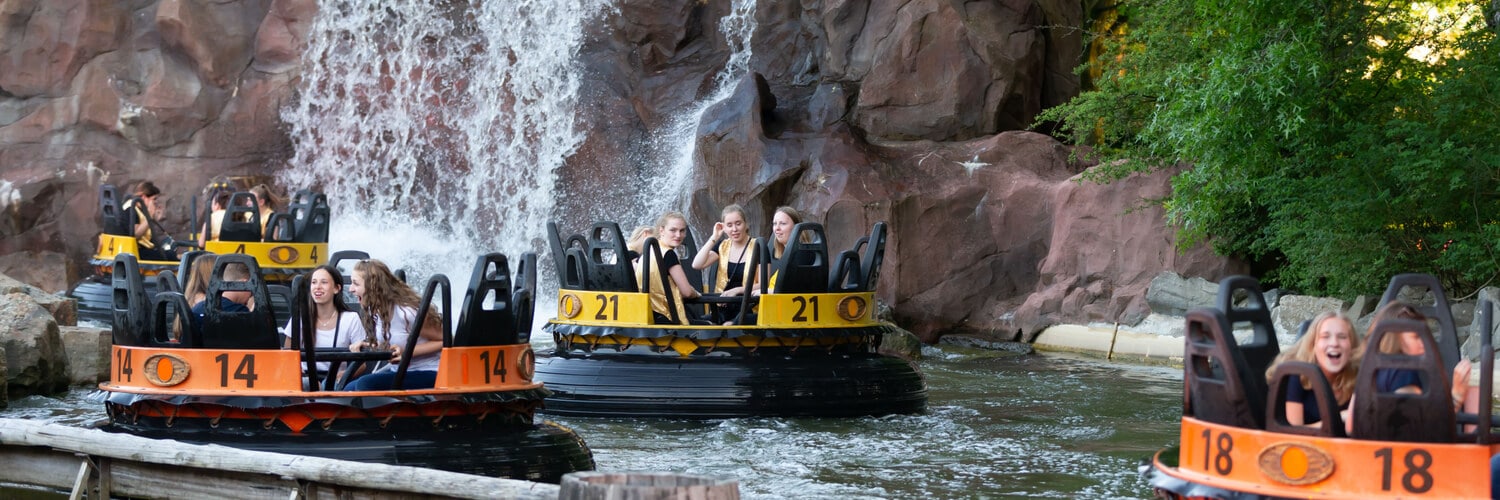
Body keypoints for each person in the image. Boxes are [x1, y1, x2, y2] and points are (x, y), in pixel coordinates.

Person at [344, 259, 443, 391]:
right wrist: (370, 345)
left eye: (355, 284)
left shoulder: (406, 312)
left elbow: (445, 340)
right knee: (347, 388)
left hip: (429, 371)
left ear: (373, 286)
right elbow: (395, 339)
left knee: (365, 385)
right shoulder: (376, 310)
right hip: (399, 370)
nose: (350, 289)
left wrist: (406, 352)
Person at [1264, 311, 1360, 426]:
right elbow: (1294, 434)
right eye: (1325, 336)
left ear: (1352, 345)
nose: (1334, 343)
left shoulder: (1360, 375)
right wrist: (1340, 417)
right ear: (1313, 344)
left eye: (1342, 337)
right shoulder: (1296, 374)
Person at [284, 264, 365, 376]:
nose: (317, 287)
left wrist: (342, 375)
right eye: (314, 282)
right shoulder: (300, 318)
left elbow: (362, 363)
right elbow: (287, 356)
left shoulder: (351, 319)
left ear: (337, 288)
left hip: (336, 380)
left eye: (324, 282)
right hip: (304, 379)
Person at [691, 204, 758, 324]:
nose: (734, 229)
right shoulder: (722, 246)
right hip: (722, 308)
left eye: (738, 223)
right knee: (699, 324)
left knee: (730, 325)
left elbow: (764, 284)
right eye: (729, 225)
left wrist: (737, 290)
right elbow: (697, 264)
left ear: (745, 224)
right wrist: (714, 237)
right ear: (724, 227)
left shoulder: (758, 246)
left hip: (748, 308)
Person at [635, 212, 703, 325]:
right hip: (666, 316)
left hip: (646, 314)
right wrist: (697, 293)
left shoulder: (647, 252)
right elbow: (686, 292)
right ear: (661, 230)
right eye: (673, 230)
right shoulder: (668, 254)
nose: (678, 235)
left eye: (682, 231)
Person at [188, 261, 251, 339]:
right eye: (251, 290)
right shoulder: (240, 312)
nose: (251, 295)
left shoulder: (197, 308)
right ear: (243, 284)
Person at [753, 206, 804, 296]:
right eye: (774, 224)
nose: (777, 228)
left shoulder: (803, 256)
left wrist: (767, 292)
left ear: (797, 227)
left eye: (783, 223)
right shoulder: (784, 256)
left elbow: (799, 290)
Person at [123, 181, 177, 261]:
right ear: (144, 197)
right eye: (154, 199)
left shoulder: (140, 209)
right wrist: (150, 216)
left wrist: (156, 218)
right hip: (138, 251)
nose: (155, 202)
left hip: (146, 247)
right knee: (170, 255)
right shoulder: (131, 209)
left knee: (171, 249)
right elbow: (136, 234)